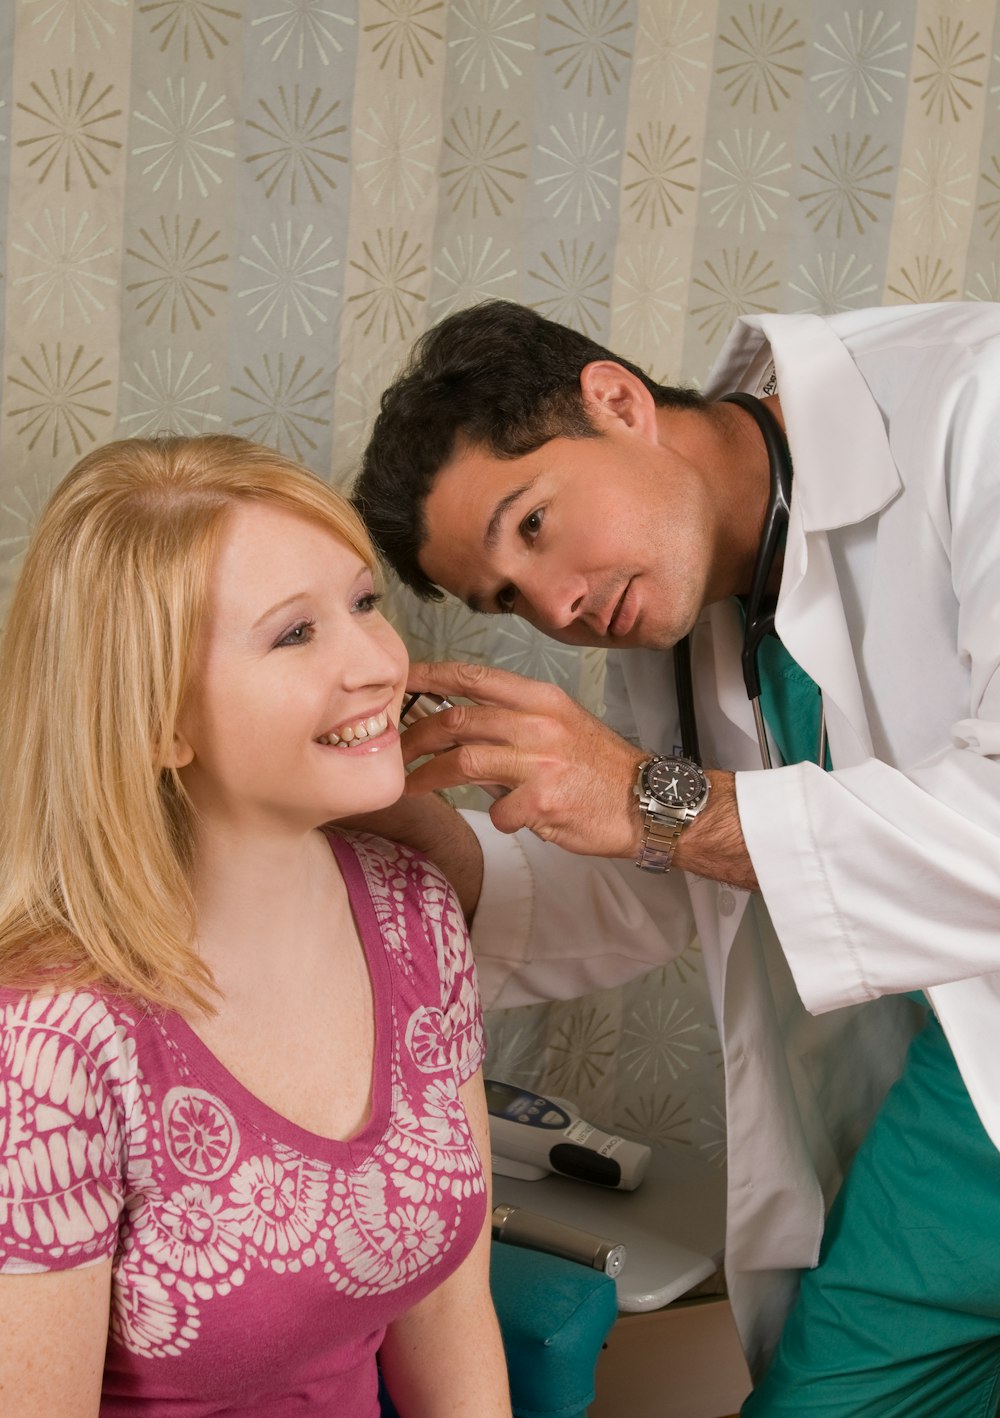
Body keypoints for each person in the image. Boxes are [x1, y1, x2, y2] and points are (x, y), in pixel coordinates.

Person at [354, 299, 1000, 1417]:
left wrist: (648, 795)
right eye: (505, 597)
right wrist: (439, 862)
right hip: (952, 1115)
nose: (553, 604)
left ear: (616, 400)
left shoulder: (970, 405)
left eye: (537, 524)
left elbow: (678, 816)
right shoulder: (679, 610)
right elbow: (655, 881)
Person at [0, 434, 511, 1418]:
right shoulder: (50, 1041)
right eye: (294, 634)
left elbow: (451, 1320)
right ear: (157, 719)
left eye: (364, 603)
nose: (377, 662)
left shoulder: (415, 913)